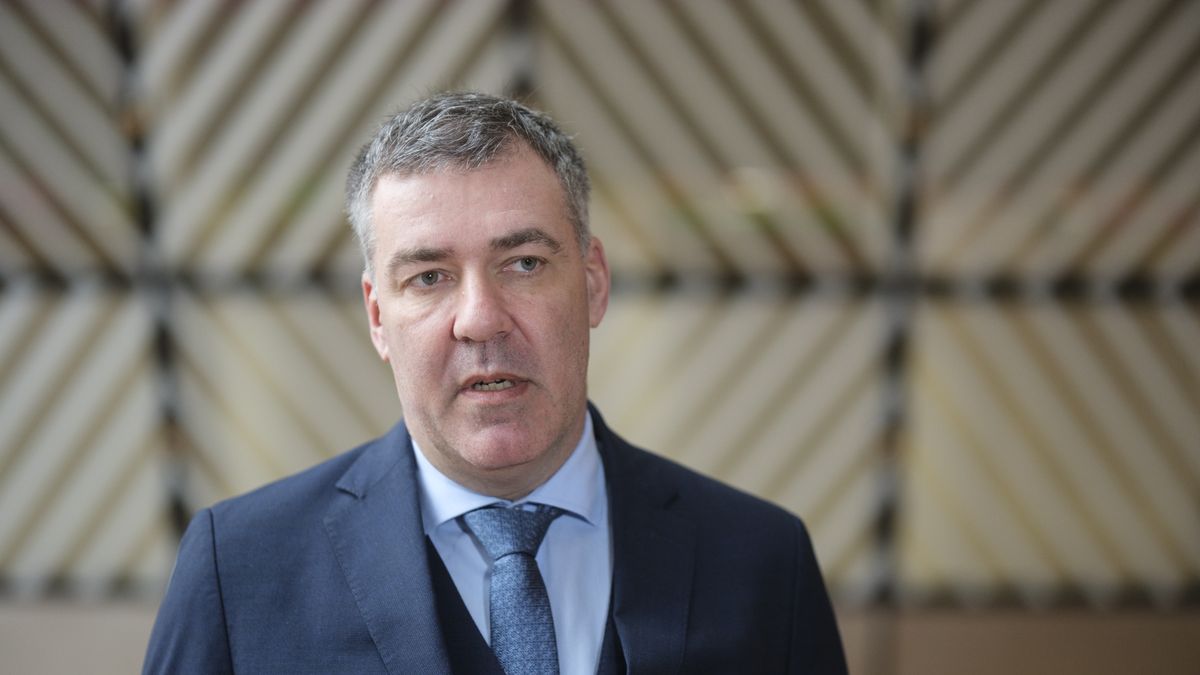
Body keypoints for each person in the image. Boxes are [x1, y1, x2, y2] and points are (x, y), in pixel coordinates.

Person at [142, 92, 847, 674]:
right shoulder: (237, 572)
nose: (480, 319)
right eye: (429, 277)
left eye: (525, 264)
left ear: (594, 283)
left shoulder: (762, 563)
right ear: (378, 315)